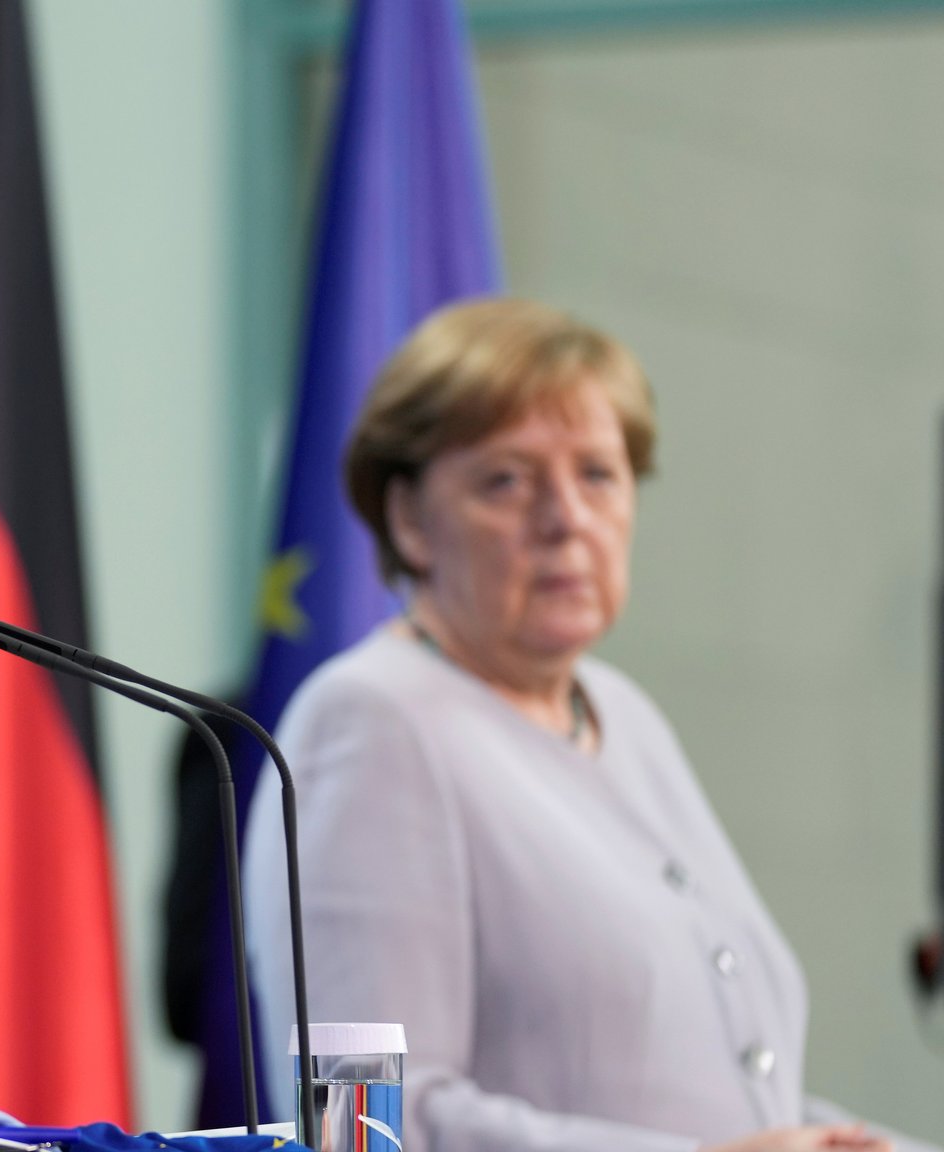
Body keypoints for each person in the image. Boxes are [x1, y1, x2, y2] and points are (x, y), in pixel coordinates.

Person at [242, 298, 932, 1152]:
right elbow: (362, 1131)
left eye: (598, 475)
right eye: (507, 480)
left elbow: (721, 1105)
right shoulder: (369, 725)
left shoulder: (623, 714)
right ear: (411, 520)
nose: (566, 518)